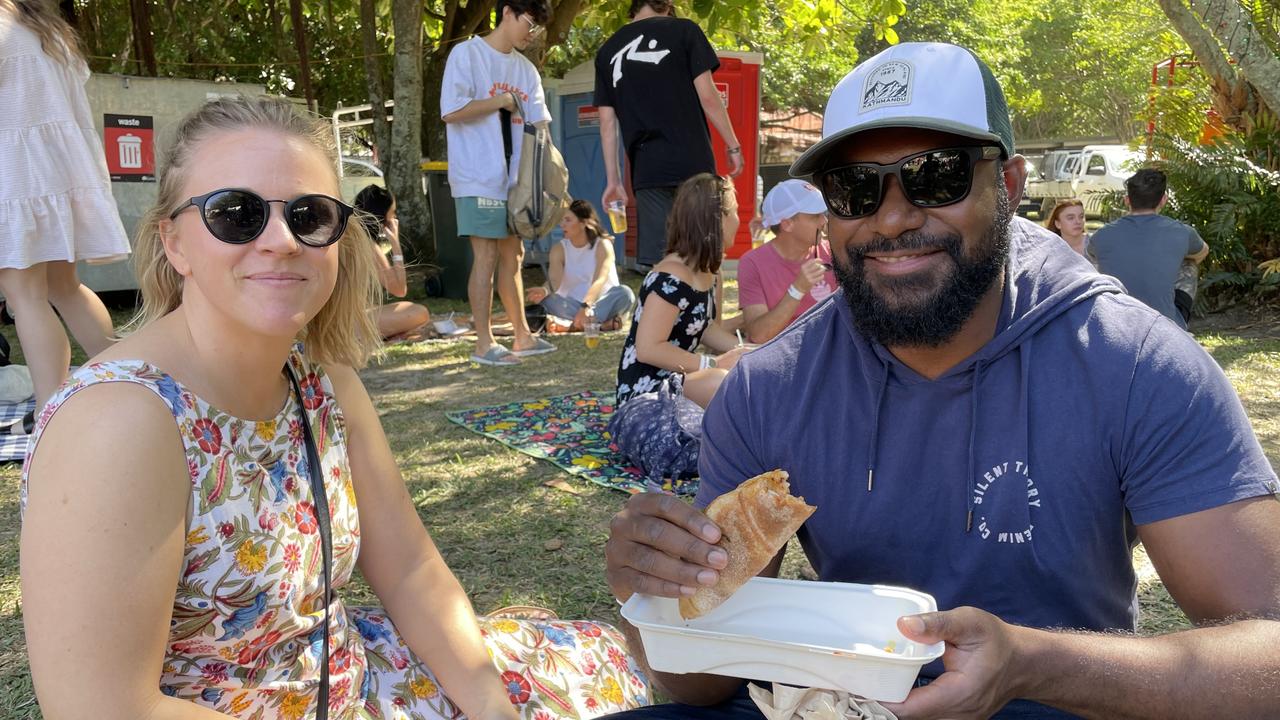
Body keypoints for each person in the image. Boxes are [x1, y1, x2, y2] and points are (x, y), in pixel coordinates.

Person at [602, 42, 1280, 720]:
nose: (892, 218)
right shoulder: (766, 390)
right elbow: (703, 682)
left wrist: (1029, 664)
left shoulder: (1135, 364)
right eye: (854, 188)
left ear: (1009, 187)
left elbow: (1269, 655)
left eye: (938, 176)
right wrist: (652, 597)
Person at [20, 96, 648, 720]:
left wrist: (494, 708)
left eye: (310, 215)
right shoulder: (117, 424)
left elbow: (409, 571)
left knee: (604, 667)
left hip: (360, 683)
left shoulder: (321, 382)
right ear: (175, 242)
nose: (282, 241)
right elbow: (101, 707)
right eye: (234, 214)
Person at [0, 0, 130, 433]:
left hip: (15, 176)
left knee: (26, 297)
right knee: (64, 287)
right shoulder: (48, 30)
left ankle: (48, 411)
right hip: (57, 175)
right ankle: (134, 382)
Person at [608, 173, 751, 482]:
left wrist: (753, 353)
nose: (739, 219)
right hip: (646, 395)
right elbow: (648, 348)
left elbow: (705, 328)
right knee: (720, 381)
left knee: (741, 376)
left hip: (682, 384)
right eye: (735, 211)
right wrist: (711, 362)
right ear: (716, 219)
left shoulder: (710, 273)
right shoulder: (669, 276)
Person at [441, 0, 556, 366]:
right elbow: (451, 111)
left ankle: (522, 336)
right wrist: (500, 101)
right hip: (478, 176)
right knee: (486, 255)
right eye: (529, 22)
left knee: (514, 255)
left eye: (537, 27)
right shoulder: (467, 54)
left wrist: (544, 178)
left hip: (517, 182)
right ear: (507, 12)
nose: (531, 33)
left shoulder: (527, 70)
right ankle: (483, 344)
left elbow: (541, 128)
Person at [594, 0, 743, 270]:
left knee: (661, 263)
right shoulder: (685, 31)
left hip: (647, 170)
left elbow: (606, 124)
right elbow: (709, 97)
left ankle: (660, 312)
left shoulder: (607, 51)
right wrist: (733, 145)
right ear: (669, 4)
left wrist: (614, 181)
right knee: (704, 255)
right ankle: (705, 313)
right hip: (693, 163)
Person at [1088, 168, 1209, 330]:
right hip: (1165, 326)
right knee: (1189, 263)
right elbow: (1203, 252)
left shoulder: (1100, 236)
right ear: (1163, 200)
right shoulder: (1182, 232)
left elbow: (1091, 257)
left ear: (1127, 200)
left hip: (1115, 324)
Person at [736, 179, 836, 343]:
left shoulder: (833, 253)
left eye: (823, 214)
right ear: (787, 224)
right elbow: (759, 335)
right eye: (815, 216)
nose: (823, 221)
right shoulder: (752, 263)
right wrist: (797, 289)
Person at [532, 199, 636, 331]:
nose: (562, 225)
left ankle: (573, 325)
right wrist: (544, 290)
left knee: (625, 293)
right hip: (571, 306)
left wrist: (586, 307)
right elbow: (554, 280)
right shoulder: (559, 249)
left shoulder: (603, 245)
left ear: (583, 223)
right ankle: (599, 325)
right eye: (562, 220)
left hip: (601, 304)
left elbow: (599, 280)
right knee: (547, 301)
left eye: (568, 220)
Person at [352, 185, 433, 341]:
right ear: (382, 215)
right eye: (392, 212)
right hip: (350, 322)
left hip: (350, 315)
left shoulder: (354, 235)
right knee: (419, 312)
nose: (395, 218)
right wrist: (395, 244)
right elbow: (399, 289)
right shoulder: (367, 244)